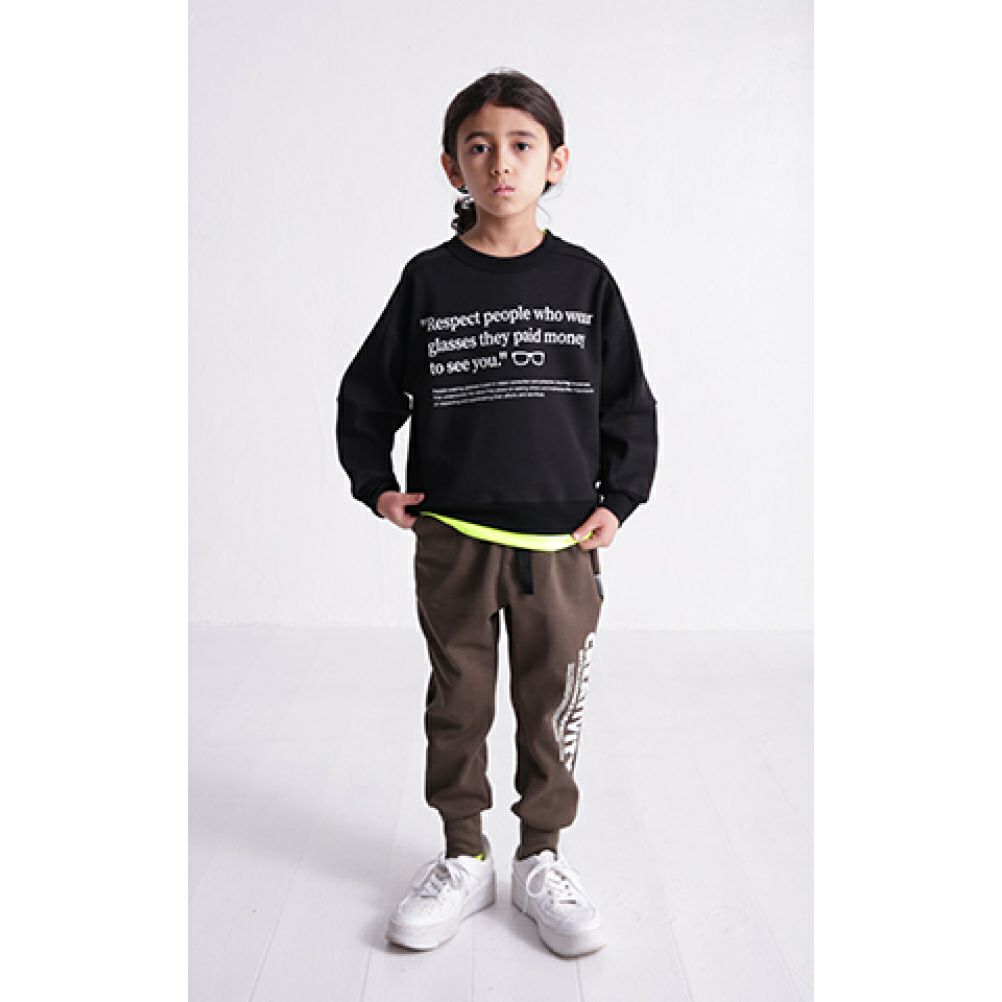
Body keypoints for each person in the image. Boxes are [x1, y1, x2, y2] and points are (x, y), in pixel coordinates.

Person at [335, 68, 657, 957]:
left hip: (561, 543)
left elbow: (629, 403)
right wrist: (375, 482)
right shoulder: (430, 280)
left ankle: (541, 856)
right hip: (455, 538)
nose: (500, 164)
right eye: (479, 148)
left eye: (521, 145)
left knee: (549, 707)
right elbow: (367, 393)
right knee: (459, 705)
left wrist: (621, 499)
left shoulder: (585, 280)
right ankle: (464, 854)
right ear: (453, 167)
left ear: (557, 162)